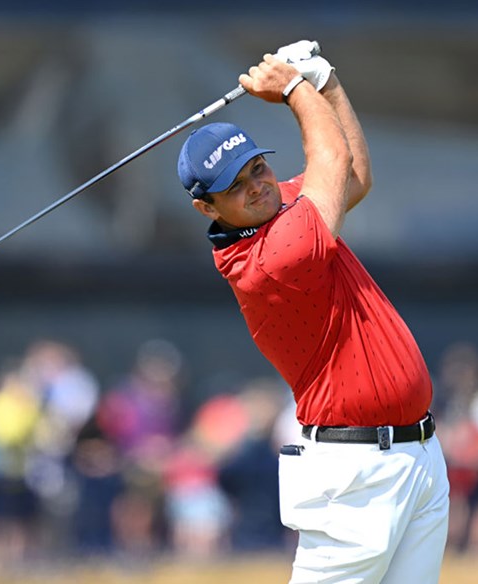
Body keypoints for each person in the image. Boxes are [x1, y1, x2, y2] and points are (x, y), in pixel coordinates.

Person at [176, 40, 450, 583]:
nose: (257, 186)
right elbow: (333, 157)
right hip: (354, 477)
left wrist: (327, 82)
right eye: (237, 186)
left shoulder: (282, 212)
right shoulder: (273, 257)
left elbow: (353, 177)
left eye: (257, 168)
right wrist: (297, 88)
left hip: (416, 455)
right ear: (207, 207)